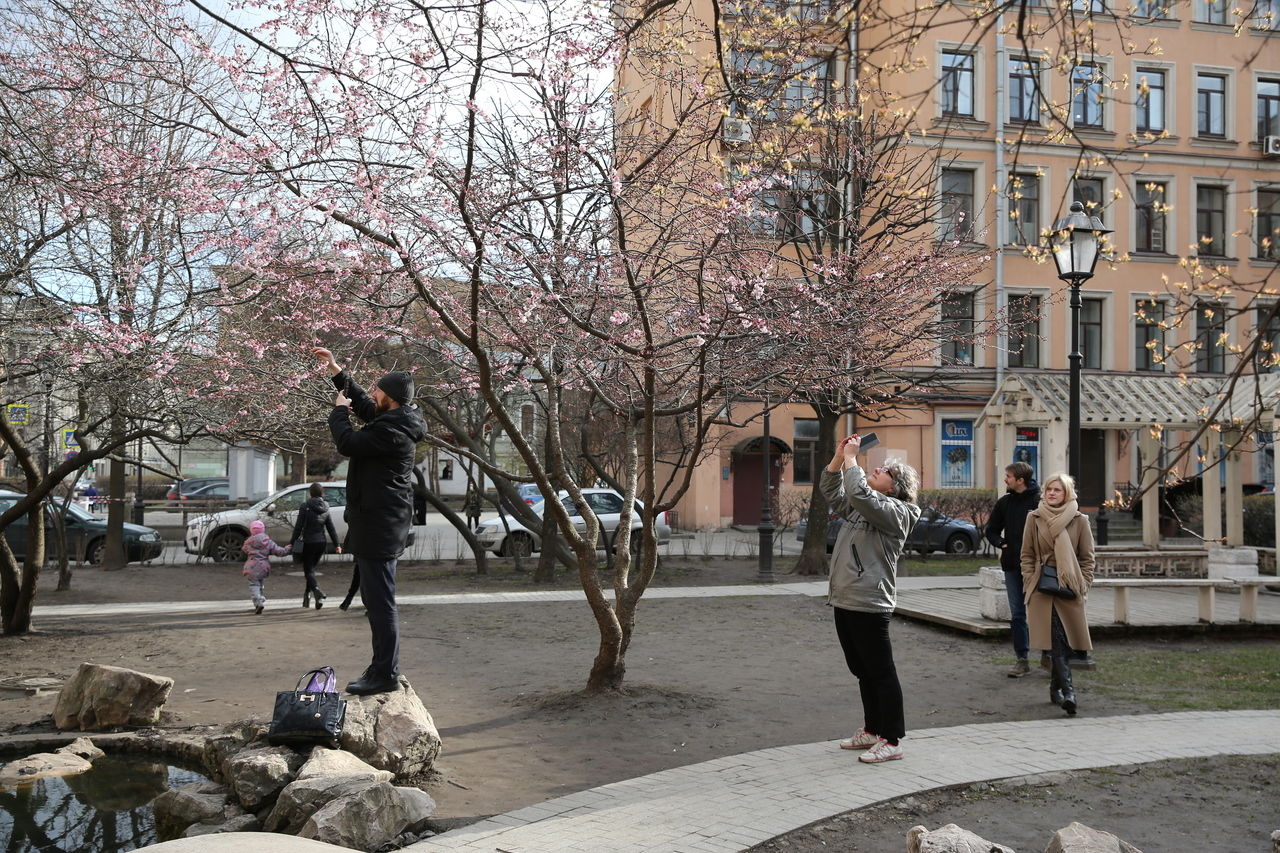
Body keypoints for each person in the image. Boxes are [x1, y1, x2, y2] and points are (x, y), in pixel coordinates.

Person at [314, 346, 427, 696]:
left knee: (380, 604)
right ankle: (381, 668)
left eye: (379, 389)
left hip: (380, 527)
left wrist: (338, 412)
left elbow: (347, 442)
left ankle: (386, 674)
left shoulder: (390, 433)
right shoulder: (393, 419)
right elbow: (365, 404)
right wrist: (336, 371)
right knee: (375, 601)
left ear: (391, 399)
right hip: (378, 524)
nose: (373, 393)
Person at [821, 434, 922, 764]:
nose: (876, 469)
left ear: (894, 487)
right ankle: (872, 728)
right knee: (862, 669)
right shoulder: (862, 506)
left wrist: (853, 460)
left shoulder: (899, 512)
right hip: (846, 597)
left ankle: (892, 739)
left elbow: (860, 492)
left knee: (880, 671)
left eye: (885, 471)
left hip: (870, 601)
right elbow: (831, 490)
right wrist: (839, 458)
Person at [1020, 472, 1094, 717]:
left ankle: (1056, 687)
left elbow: (1087, 558)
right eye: (1049, 489)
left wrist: (1082, 583)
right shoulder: (1034, 517)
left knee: (1062, 638)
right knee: (1055, 638)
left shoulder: (1079, 520)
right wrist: (1029, 577)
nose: (1051, 493)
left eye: (1057, 490)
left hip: (1069, 586)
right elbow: (1027, 554)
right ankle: (1070, 693)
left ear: (1067, 494)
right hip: (1042, 587)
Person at [983, 461, 1040, 677]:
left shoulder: (1038, 501)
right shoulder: (1005, 503)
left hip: (1036, 568)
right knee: (1017, 614)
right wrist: (1002, 544)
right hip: (1012, 567)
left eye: (1008, 476)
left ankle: (1049, 655)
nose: (1005, 480)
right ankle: (1022, 659)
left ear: (1020, 480)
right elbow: (992, 530)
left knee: (1041, 612)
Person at [290, 482, 342, 610]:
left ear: (310, 493)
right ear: (322, 493)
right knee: (311, 570)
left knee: (308, 570)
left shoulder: (305, 506)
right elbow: (330, 527)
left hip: (308, 542)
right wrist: (337, 545)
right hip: (321, 543)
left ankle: (317, 591)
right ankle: (309, 598)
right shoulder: (325, 507)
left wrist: (292, 542)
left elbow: (299, 527)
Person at [242, 520, 289, 615]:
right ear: (263, 530)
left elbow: (244, 550)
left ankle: (258, 601)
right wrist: (287, 549)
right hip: (263, 567)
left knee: (253, 585)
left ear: (252, 531)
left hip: (251, 567)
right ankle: (259, 600)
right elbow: (279, 551)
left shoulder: (248, 542)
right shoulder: (268, 542)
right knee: (260, 585)